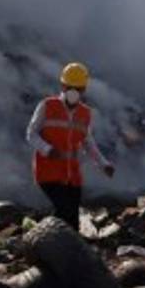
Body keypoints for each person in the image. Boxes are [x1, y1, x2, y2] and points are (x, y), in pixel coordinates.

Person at [25, 62, 115, 230]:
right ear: (63, 86)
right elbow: (31, 133)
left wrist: (104, 164)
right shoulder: (47, 105)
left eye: (79, 88)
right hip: (48, 173)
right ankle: (41, 238)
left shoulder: (85, 113)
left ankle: (64, 249)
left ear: (84, 90)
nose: (74, 92)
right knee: (63, 210)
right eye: (71, 87)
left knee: (72, 219)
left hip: (72, 176)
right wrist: (47, 149)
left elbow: (88, 142)